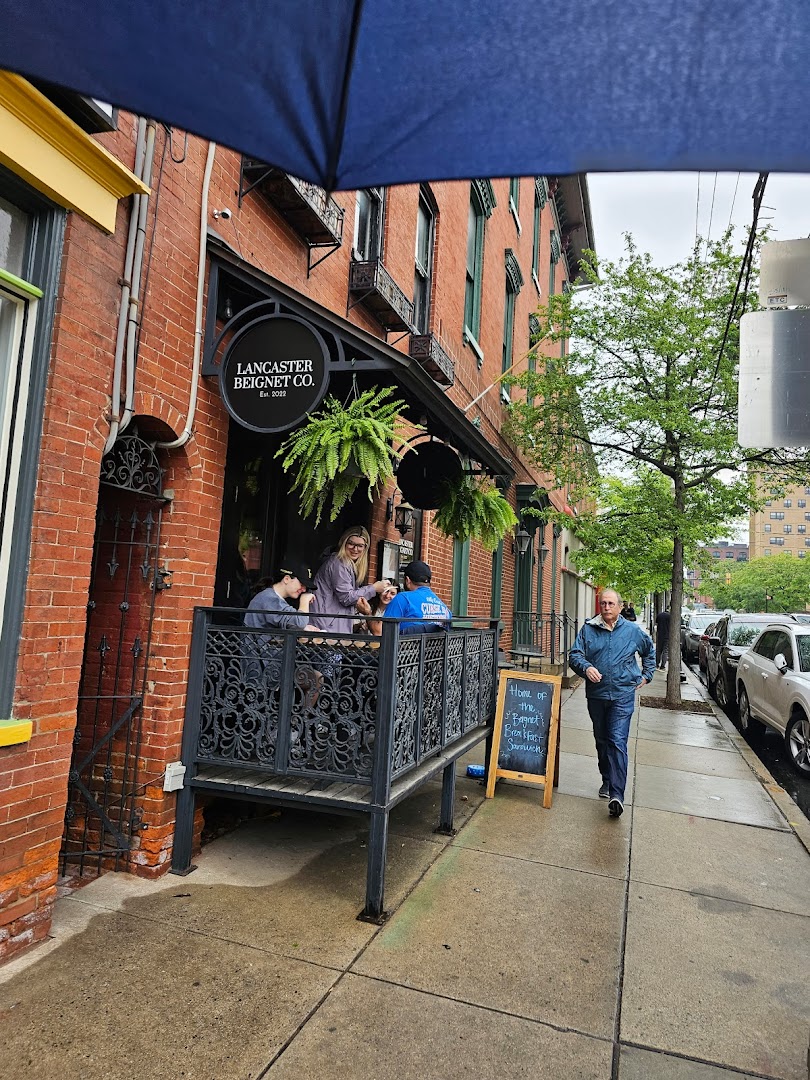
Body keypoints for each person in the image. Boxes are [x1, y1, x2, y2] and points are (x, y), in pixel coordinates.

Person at [569, 589, 655, 818]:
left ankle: (617, 794)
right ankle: (607, 779)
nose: (606, 607)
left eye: (610, 603)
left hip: (622, 694)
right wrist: (586, 668)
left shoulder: (632, 631)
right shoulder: (588, 629)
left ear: (619, 607)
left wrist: (647, 674)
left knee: (617, 741)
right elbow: (575, 655)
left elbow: (648, 650)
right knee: (602, 739)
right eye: (603, 603)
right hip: (596, 695)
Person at [309, 526, 391, 634]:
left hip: (331, 625)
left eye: (360, 545)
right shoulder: (338, 563)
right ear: (344, 543)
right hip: (326, 626)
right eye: (351, 544)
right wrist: (374, 588)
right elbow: (347, 597)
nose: (355, 549)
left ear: (365, 547)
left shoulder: (346, 564)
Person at [244, 560, 317, 630]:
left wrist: (305, 628)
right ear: (286, 579)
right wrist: (304, 600)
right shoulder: (269, 599)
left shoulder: (270, 596)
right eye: (301, 584)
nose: (304, 590)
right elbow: (300, 623)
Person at [383, 560, 452, 634]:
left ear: (407, 580)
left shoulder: (402, 599)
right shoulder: (446, 610)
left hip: (405, 645)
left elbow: (387, 633)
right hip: (435, 645)